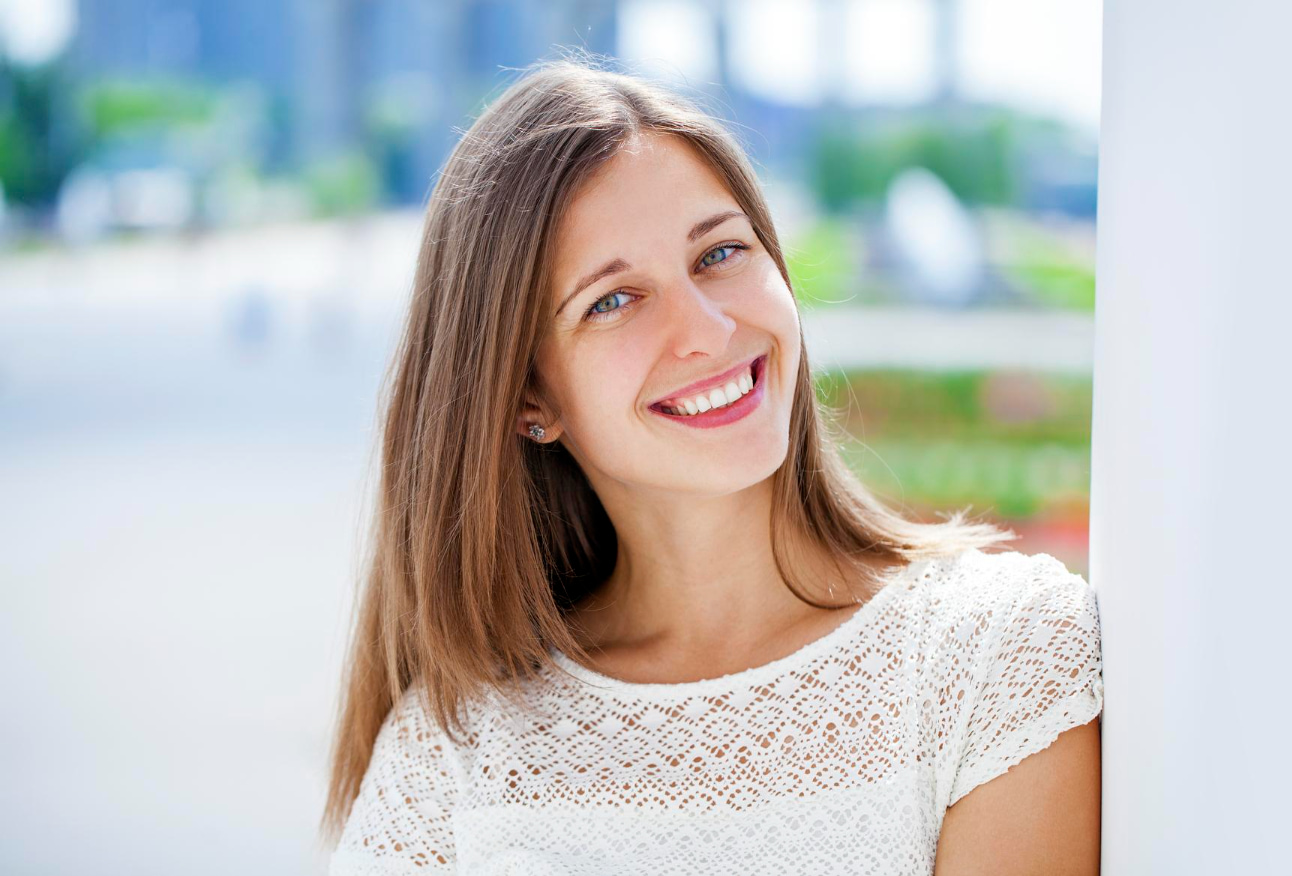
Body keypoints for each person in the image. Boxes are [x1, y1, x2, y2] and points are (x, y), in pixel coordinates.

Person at [321, 55, 1104, 875]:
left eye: (720, 254)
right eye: (612, 300)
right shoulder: (455, 753)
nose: (708, 330)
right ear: (528, 397)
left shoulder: (994, 652)